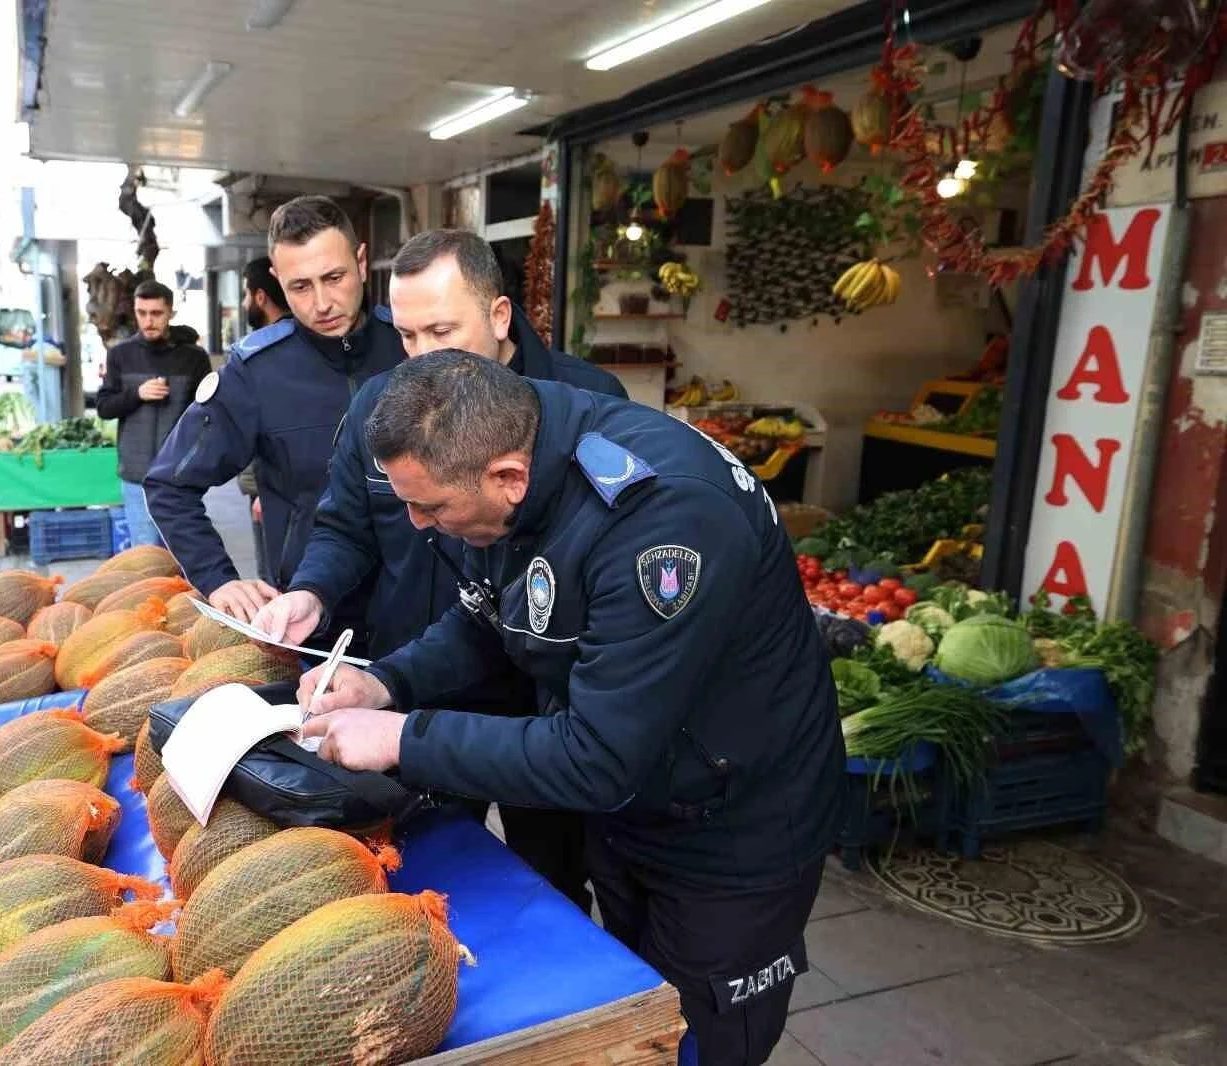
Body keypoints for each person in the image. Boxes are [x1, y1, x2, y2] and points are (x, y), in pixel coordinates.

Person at [299, 351, 845, 1066]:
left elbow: (598, 757)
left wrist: (405, 737)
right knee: (631, 1021)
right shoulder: (516, 459)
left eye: (430, 506)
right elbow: (489, 619)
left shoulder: (664, 519)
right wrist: (386, 683)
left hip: (734, 833)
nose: (417, 524)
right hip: (639, 808)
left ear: (507, 477)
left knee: (700, 1041)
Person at [252, 228, 627, 909]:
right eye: (408, 335)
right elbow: (345, 525)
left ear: (500, 316)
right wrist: (312, 590)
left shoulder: (584, 402)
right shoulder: (382, 410)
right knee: (420, 873)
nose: (421, 357)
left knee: (548, 886)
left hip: (534, 709)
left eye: (442, 331)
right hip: (413, 686)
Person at [143, 195, 405, 629]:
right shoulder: (256, 372)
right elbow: (169, 485)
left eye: (334, 277)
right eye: (300, 286)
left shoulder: (411, 345)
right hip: (314, 622)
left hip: (427, 614)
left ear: (361, 263)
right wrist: (218, 579)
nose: (322, 303)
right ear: (277, 280)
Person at [96, 280, 212, 549]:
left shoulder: (193, 357)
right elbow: (104, 407)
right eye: (142, 313)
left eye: (156, 313)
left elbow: (209, 413)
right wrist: (137, 394)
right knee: (146, 554)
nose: (148, 321)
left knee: (183, 553)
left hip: (181, 474)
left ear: (170, 312)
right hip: (137, 474)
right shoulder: (119, 354)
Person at [234, 256, 290, 584]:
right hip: (276, 491)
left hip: (274, 493)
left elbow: (262, 431)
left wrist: (259, 492)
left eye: (245, 294)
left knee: (273, 580)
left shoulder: (259, 356)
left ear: (259, 297)